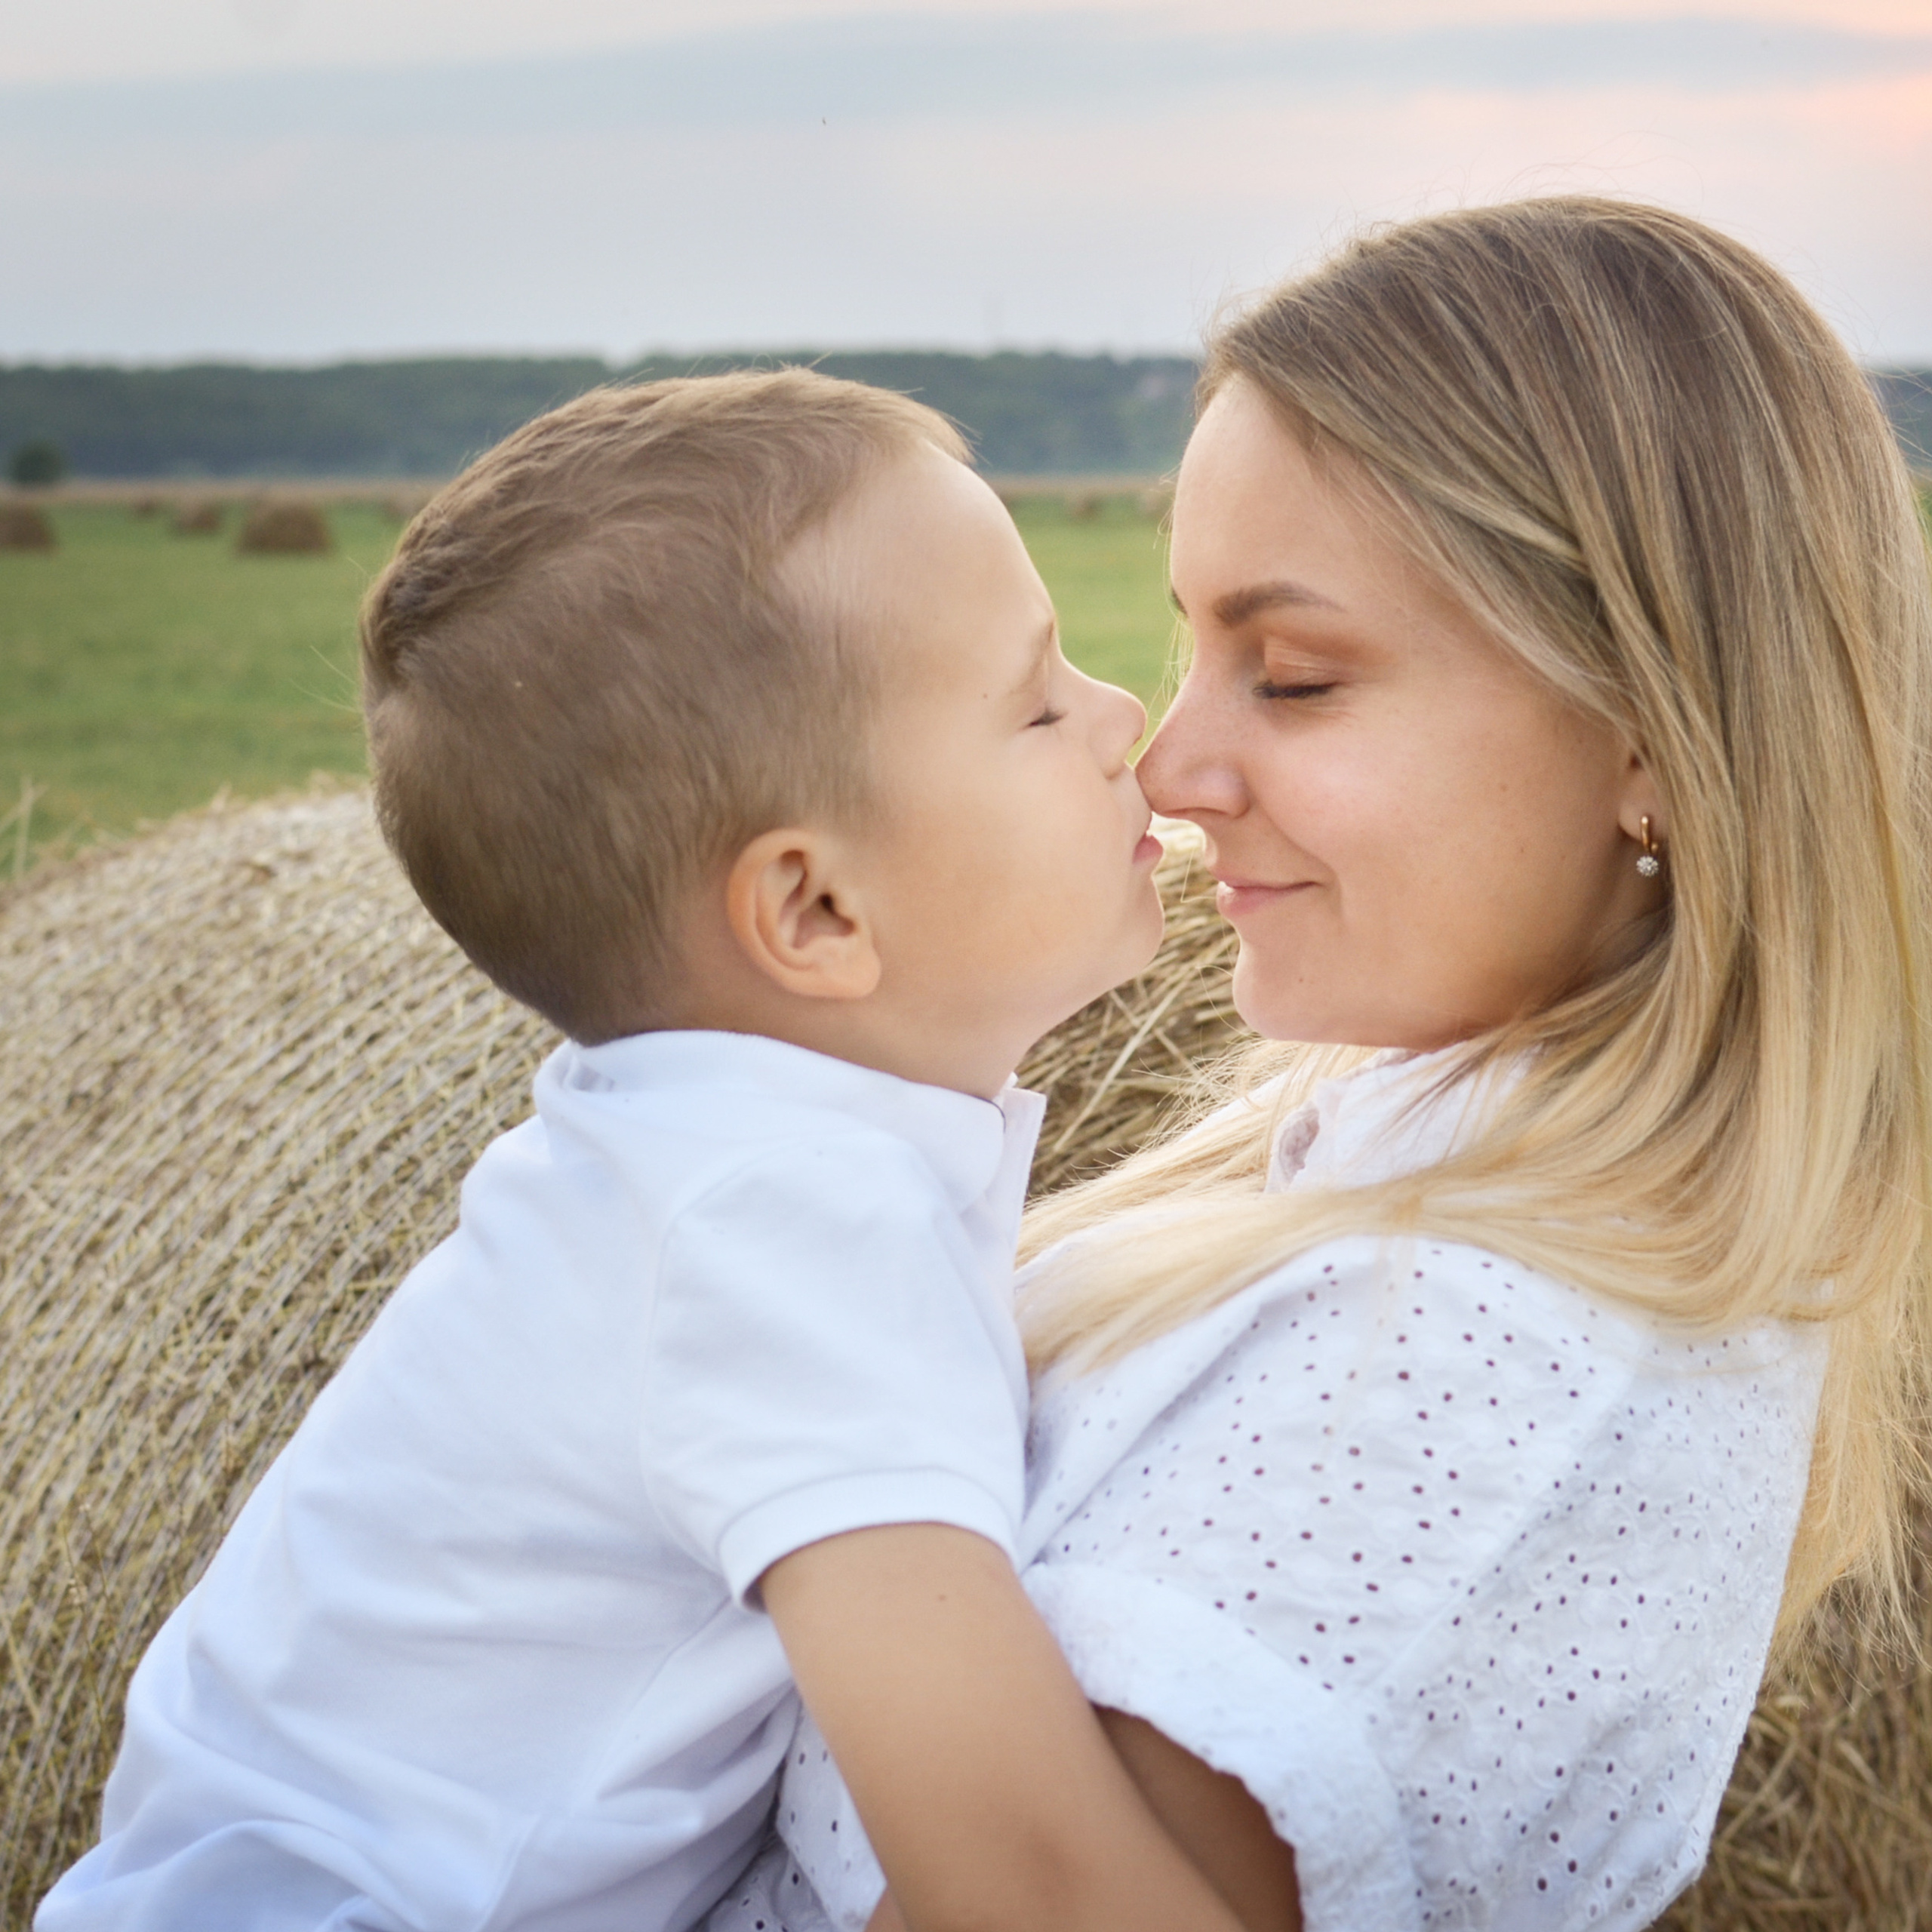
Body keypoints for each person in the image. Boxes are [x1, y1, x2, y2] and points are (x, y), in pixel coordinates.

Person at [709, 198, 1932, 1932]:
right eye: (1193, 645)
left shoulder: (1468, 1362)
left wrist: (786, 1446)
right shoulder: (1419, 1198)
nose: (1167, 766)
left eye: (1290, 676)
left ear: (1652, 734)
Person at [36, 371, 1259, 1932]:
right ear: (814, 910)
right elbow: (1019, 1874)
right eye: (1035, 703)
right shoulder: (780, 1226)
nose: (1121, 720)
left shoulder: (696, 1152)